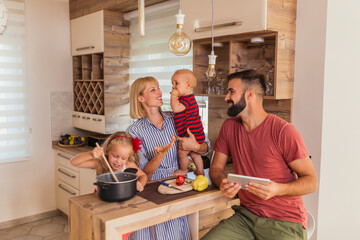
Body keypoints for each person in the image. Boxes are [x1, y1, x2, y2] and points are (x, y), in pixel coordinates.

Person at [202, 70, 318, 240]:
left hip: (285, 221)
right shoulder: (229, 127)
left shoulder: (283, 131)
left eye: (231, 92)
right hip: (246, 218)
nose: (226, 97)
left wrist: (277, 189)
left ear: (250, 95)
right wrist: (223, 183)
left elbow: (311, 182)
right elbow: (216, 168)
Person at [126, 76, 210, 240]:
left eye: (158, 87)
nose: (160, 92)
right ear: (140, 98)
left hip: (178, 185)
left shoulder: (176, 117)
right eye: (153, 90)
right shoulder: (133, 132)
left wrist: (195, 147)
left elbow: (205, 147)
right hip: (151, 191)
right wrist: (160, 155)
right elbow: (144, 174)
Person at [70, 131, 147, 192]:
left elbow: (143, 176)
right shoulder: (100, 163)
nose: (118, 161)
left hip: (122, 197)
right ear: (107, 151)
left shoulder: (128, 163)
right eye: (115, 156)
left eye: (123, 158)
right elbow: (74, 162)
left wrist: (140, 184)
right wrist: (90, 154)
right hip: (102, 197)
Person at [170, 69, 205, 176]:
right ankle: (200, 170)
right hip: (197, 134)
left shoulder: (186, 99)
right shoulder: (189, 99)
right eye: (172, 84)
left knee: (182, 153)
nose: (173, 86)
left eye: (176, 83)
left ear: (188, 85)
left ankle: (183, 170)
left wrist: (173, 96)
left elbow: (175, 108)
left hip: (190, 135)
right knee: (195, 154)